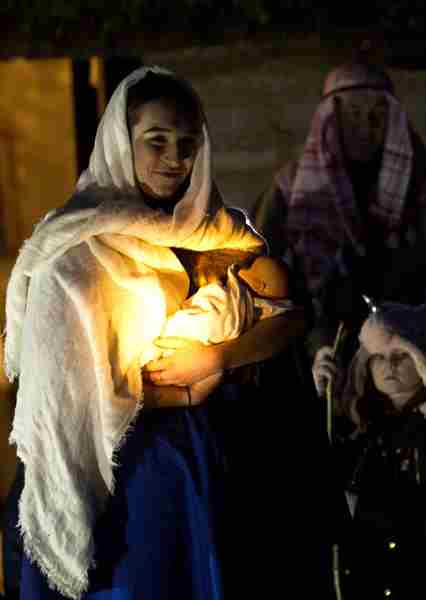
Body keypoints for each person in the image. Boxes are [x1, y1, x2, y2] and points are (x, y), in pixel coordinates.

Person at [4, 66, 305, 600]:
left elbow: (291, 316)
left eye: (188, 144)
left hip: (211, 459)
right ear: (122, 141)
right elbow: (67, 388)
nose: (174, 159)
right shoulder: (74, 248)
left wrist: (214, 360)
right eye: (156, 141)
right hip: (124, 468)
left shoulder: (215, 228)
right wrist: (177, 388)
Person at [251, 56, 426, 367]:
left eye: (377, 115)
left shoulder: (418, 184)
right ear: (331, 120)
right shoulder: (290, 188)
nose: (365, 127)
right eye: (353, 114)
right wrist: (315, 341)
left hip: (407, 349)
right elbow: (262, 277)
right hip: (315, 353)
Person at [313, 301, 426, 599]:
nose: (389, 366)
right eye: (378, 358)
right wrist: (320, 398)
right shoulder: (361, 428)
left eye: (401, 355)